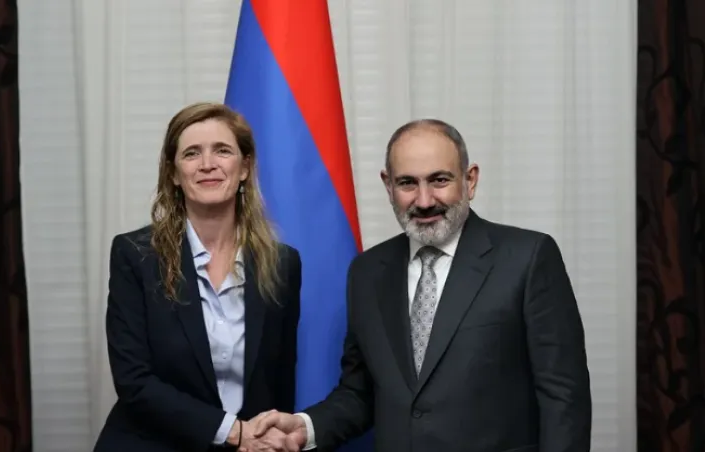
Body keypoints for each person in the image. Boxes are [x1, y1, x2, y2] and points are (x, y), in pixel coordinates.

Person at [247, 119, 592, 452]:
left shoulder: (527, 258)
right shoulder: (367, 272)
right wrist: (306, 429)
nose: (425, 201)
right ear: (388, 186)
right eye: (407, 183)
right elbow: (361, 393)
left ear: (470, 180)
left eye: (439, 180)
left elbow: (564, 397)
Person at [93, 102, 302, 452]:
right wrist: (233, 432)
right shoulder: (135, 255)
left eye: (222, 151)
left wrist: (266, 439)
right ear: (174, 173)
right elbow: (134, 381)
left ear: (245, 167)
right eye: (191, 153)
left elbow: (278, 380)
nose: (207, 164)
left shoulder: (282, 263)